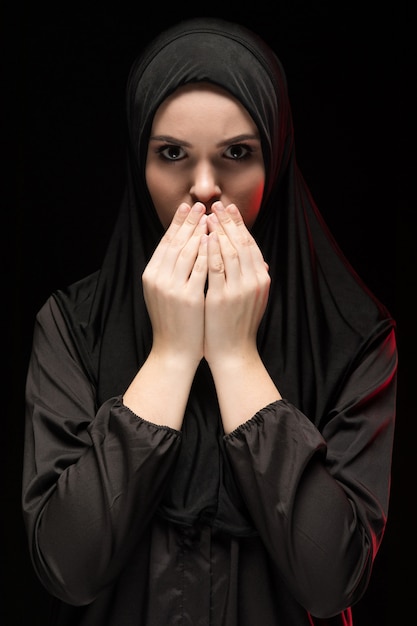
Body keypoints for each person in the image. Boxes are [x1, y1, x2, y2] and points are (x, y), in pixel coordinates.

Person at [22, 16, 397, 626]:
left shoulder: (353, 339)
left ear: (274, 164)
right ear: (138, 161)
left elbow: (331, 581)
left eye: (237, 154)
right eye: (172, 154)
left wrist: (235, 358)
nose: (203, 188)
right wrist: (169, 356)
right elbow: (69, 567)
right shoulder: (72, 325)